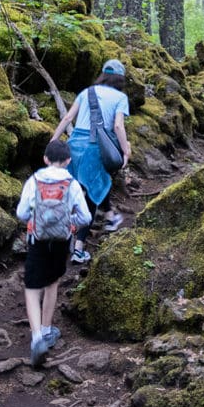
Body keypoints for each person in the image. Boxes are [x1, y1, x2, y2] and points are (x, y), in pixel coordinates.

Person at [15, 140, 91, 367]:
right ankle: (48, 331)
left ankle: (36, 337)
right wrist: (71, 222)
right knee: (53, 282)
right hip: (61, 240)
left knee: (31, 287)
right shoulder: (72, 183)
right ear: (68, 161)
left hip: (37, 239)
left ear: (45, 159)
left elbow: (21, 213)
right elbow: (86, 218)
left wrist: (34, 220)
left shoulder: (34, 181)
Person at [50, 58, 132, 263]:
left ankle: (109, 216)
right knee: (91, 194)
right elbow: (118, 127)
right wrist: (126, 150)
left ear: (103, 74)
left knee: (82, 188)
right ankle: (78, 249)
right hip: (95, 149)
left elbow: (68, 118)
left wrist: (53, 140)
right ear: (120, 78)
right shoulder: (120, 97)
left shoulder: (87, 92)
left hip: (74, 145)